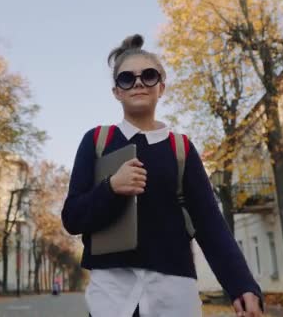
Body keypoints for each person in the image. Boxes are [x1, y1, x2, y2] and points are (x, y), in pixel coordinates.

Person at [61, 34, 264, 317]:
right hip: (112, 295)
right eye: (126, 79)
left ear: (162, 86)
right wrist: (111, 188)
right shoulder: (97, 140)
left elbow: (209, 223)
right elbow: (72, 217)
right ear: (116, 92)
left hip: (173, 294)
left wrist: (241, 285)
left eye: (149, 75)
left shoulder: (179, 147)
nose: (139, 83)